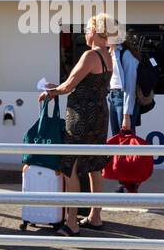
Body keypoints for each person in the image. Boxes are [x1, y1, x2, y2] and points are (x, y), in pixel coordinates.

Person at [39, 13, 114, 235]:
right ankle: (95, 216)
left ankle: (71, 222)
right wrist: (58, 87)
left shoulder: (90, 55)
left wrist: (51, 92)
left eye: (88, 29)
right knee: (94, 166)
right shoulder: (108, 56)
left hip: (81, 116)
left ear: (96, 32)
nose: (85, 32)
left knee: (70, 166)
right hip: (100, 115)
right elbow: (80, 83)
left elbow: (71, 85)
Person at [107, 30, 143, 193]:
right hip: (113, 97)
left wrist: (127, 115)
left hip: (123, 100)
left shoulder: (126, 55)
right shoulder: (111, 52)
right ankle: (124, 181)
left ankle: (132, 181)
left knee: (127, 143)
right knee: (118, 143)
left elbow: (130, 87)